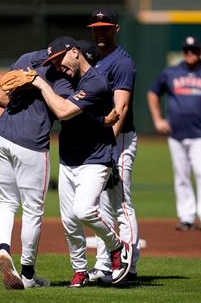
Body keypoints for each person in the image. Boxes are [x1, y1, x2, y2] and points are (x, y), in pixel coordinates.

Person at [0, 46, 119, 290]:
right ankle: (28, 275)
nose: (59, 65)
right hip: (31, 144)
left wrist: (25, 88)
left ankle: (3, 249)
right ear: (67, 53)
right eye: (58, 60)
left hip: (0, 137)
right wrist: (101, 120)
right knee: (32, 211)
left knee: (6, 203)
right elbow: (65, 112)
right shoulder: (61, 79)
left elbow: (0, 99)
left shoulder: (25, 57)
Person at [31, 35, 133, 287]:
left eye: (60, 58)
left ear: (75, 53)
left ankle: (116, 246)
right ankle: (80, 270)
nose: (57, 65)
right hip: (68, 158)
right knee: (69, 221)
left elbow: (64, 112)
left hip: (95, 158)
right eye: (52, 61)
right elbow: (78, 117)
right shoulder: (64, 78)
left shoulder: (96, 82)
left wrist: (41, 85)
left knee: (83, 210)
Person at [147, 36, 201, 232]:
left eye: (193, 50)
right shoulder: (171, 72)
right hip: (176, 133)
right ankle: (186, 217)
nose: (189, 53)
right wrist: (158, 119)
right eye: (186, 50)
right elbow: (152, 93)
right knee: (181, 176)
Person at [86, 8, 140, 283]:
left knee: (121, 203)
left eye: (105, 27)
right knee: (100, 205)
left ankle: (129, 265)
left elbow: (121, 108)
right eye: (96, 27)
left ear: (116, 29)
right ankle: (105, 264)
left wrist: (108, 148)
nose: (100, 32)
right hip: (101, 141)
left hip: (117, 139)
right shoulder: (95, 59)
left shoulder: (122, 63)